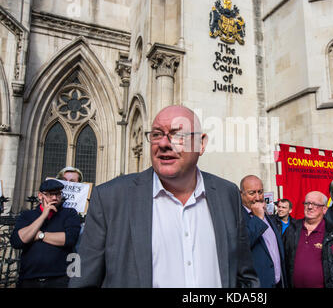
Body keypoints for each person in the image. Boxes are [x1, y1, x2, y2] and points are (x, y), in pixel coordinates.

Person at [69, 105, 259, 288]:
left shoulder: (227, 194)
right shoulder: (110, 198)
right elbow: (81, 278)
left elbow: (245, 276)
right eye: (157, 134)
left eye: (178, 135)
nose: (164, 144)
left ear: (201, 144)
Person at [10, 179, 81, 288]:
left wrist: (40, 235)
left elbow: (69, 239)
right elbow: (18, 241)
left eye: (58, 194)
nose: (54, 198)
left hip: (60, 278)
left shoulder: (69, 214)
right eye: (50, 194)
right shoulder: (27, 215)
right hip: (29, 279)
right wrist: (43, 216)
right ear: (40, 196)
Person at [284, 191, 333, 288]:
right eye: (307, 203)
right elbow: (282, 260)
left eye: (315, 204)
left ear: (324, 209)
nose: (310, 207)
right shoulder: (291, 229)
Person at [240, 175, 287, 288]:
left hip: (278, 283)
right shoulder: (237, 217)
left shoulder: (267, 215)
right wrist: (258, 219)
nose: (258, 197)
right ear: (241, 193)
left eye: (260, 192)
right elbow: (242, 246)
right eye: (252, 193)